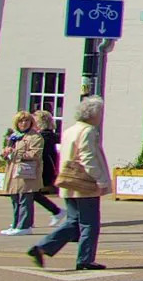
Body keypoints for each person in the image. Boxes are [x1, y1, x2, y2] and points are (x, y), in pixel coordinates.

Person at [26, 96, 108, 270]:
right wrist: (100, 179)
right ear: (93, 114)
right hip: (84, 184)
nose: (101, 116)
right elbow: (88, 157)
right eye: (100, 112)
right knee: (89, 223)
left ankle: (42, 247)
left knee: (73, 221)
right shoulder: (88, 131)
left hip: (68, 181)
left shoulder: (70, 130)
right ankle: (85, 259)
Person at [0, 112, 55, 234]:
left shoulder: (35, 137)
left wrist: (14, 153)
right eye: (21, 121)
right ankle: (16, 224)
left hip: (27, 172)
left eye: (27, 121)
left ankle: (24, 226)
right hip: (13, 171)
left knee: (25, 199)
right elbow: (7, 154)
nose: (24, 123)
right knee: (14, 198)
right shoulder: (14, 137)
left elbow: (35, 154)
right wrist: (5, 153)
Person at [34, 109, 64, 226]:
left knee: (31, 193)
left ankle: (56, 211)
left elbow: (41, 154)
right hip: (45, 168)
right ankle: (26, 221)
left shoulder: (44, 136)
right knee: (30, 194)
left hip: (43, 169)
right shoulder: (49, 135)